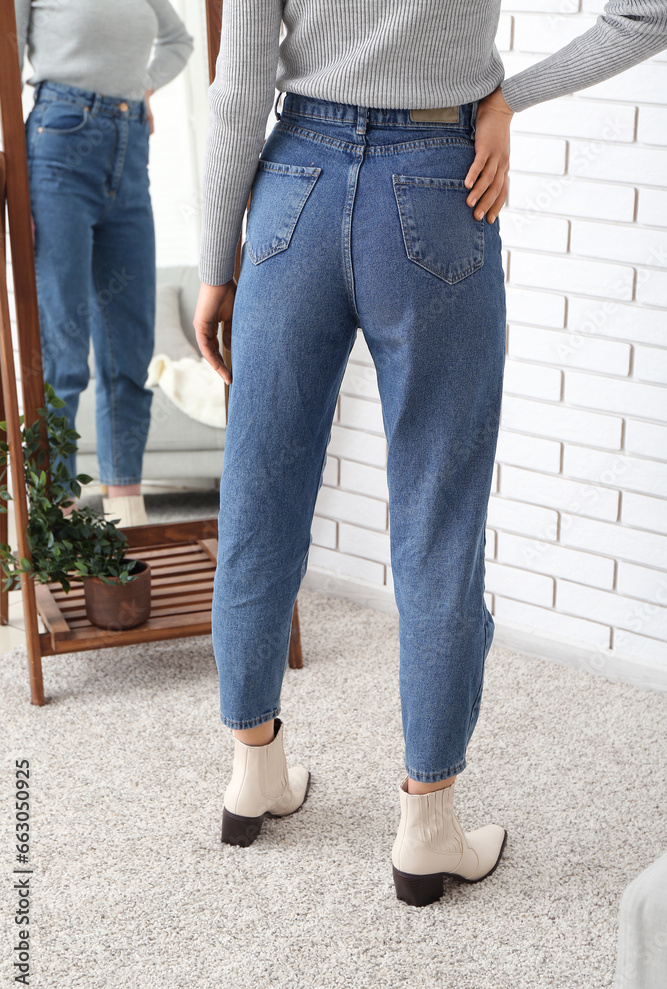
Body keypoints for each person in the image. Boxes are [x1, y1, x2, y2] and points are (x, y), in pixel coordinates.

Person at [193, 0, 667, 906]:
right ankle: (426, 829)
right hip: (434, 182)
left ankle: (253, 768)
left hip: (291, 179)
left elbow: (238, 86)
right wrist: (503, 98)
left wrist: (219, 261)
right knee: (436, 517)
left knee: (260, 498)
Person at [16, 0, 194, 527]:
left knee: (129, 351)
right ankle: (58, 523)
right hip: (57, 147)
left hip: (130, 148)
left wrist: (140, 87)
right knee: (62, 357)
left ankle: (126, 519)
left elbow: (179, 41)